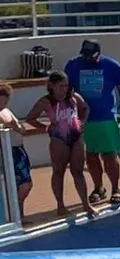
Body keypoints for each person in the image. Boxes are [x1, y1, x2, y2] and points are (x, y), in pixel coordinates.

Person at [63, 39, 120, 208]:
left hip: (106, 117)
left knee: (109, 154)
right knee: (91, 156)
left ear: (99, 53)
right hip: (84, 119)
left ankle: (116, 189)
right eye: (85, 55)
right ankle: (98, 188)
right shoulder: (73, 65)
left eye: (91, 56)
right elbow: (66, 91)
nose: (88, 59)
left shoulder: (111, 65)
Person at [24, 72, 95, 219]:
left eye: (66, 85)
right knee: (58, 172)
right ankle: (60, 205)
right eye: (61, 86)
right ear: (52, 86)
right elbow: (30, 118)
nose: (64, 89)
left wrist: (82, 121)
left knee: (78, 171)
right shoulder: (46, 101)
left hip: (76, 137)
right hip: (59, 139)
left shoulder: (73, 97)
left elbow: (86, 108)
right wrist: (45, 127)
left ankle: (86, 204)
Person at [0, 83, 34, 222]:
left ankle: (19, 212)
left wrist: (15, 126)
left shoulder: (7, 111)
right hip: (8, 152)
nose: (3, 103)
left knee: (25, 183)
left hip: (19, 150)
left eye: (5, 100)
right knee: (19, 184)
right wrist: (9, 126)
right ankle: (14, 213)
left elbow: (21, 129)